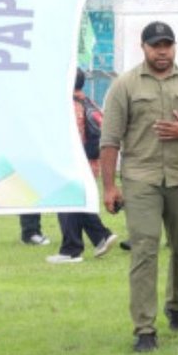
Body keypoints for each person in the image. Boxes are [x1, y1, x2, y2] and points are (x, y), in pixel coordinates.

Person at [100, 21, 178, 353]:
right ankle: (144, 328)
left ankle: (176, 305)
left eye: (167, 44)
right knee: (145, 247)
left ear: (174, 47)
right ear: (144, 47)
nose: (162, 50)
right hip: (141, 178)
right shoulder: (124, 85)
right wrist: (109, 186)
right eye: (155, 45)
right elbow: (110, 139)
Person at [49, 70, 120, 264]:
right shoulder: (88, 102)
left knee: (66, 202)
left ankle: (71, 250)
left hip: (74, 161)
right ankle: (101, 237)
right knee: (76, 201)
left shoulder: (68, 106)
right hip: (91, 161)